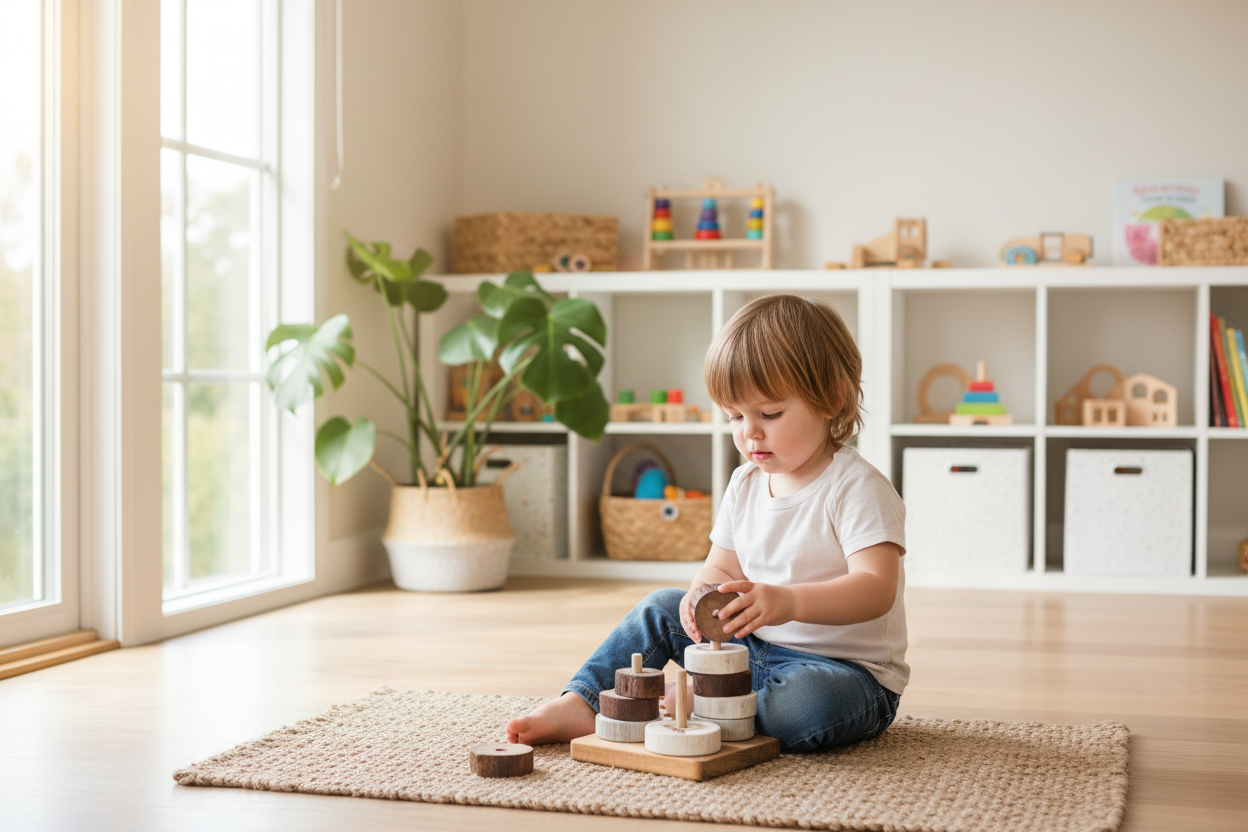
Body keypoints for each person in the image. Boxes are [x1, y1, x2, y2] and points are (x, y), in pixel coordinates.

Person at [505, 294, 907, 752]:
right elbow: (721, 567)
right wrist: (701, 595)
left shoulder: (856, 487)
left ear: (832, 398)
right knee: (660, 605)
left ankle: (700, 702)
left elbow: (877, 588)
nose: (749, 432)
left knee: (805, 708)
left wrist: (788, 602)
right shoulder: (745, 483)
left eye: (770, 414)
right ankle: (586, 701)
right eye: (735, 416)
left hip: (842, 674)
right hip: (751, 652)